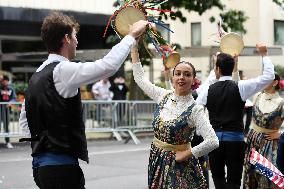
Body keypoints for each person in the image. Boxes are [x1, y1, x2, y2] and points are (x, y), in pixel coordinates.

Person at [18, 11, 148, 189]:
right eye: (75, 36)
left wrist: (41, 150)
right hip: (61, 168)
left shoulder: (37, 74)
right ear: (67, 38)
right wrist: (131, 36)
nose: (77, 41)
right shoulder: (62, 70)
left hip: (41, 168)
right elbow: (107, 66)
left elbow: (24, 121)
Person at [131, 45, 219, 188]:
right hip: (157, 159)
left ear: (193, 80)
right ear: (172, 77)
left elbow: (213, 141)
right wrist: (134, 48)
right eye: (178, 73)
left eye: (187, 74)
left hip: (179, 165)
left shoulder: (195, 109)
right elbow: (140, 79)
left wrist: (187, 154)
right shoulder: (163, 96)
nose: (181, 77)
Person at [196, 43, 275, 189]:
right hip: (235, 141)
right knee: (234, 180)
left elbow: (197, 111)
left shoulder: (208, 89)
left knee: (218, 178)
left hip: (214, 141)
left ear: (217, 69)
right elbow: (269, 76)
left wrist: (202, 132)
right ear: (233, 68)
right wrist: (264, 54)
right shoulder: (241, 87)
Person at [243, 73, 284, 189]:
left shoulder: (281, 102)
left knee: (265, 177)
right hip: (253, 141)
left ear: (275, 83)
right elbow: (239, 87)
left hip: (269, 144)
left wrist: (280, 134)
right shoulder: (257, 96)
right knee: (250, 176)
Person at [0, 75, 16, 149]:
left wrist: (11, 102)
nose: (5, 82)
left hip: (6, 110)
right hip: (0, 109)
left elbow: (14, 98)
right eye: (3, 81)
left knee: (6, 126)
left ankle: (7, 141)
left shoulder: (11, 89)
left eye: (6, 81)